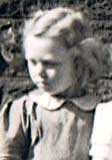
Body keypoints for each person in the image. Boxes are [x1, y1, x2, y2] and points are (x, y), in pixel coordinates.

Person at [0, 7, 109, 160]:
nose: (39, 72)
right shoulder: (25, 111)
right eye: (32, 62)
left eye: (49, 63)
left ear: (78, 63)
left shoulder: (99, 113)